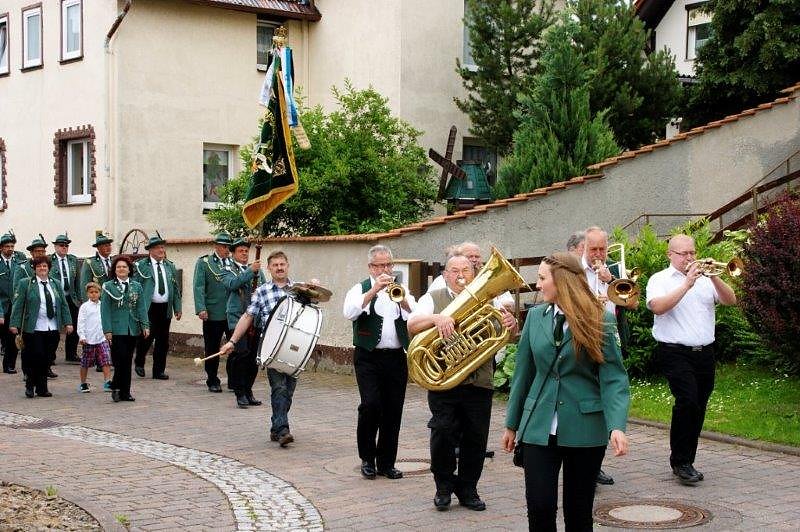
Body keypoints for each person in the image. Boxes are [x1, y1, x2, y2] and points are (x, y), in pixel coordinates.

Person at [501, 252, 630, 531]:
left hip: (585, 428)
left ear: (561, 281)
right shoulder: (535, 317)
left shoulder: (601, 320)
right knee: (539, 507)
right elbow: (524, 374)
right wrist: (512, 424)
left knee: (578, 512)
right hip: (538, 426)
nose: (537, 285)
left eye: (542, 278)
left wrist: (617, 426)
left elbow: (613, 378)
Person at [408, 254, 517, 511]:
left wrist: (511, 324)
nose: (460, 275)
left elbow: (508, 335)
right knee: (443, 432)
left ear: (473, 273)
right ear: (445, 275)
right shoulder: (433, 298)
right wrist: (437, 319)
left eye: (465, 270)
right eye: (454, 270)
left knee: (476, 437)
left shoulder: (490, 299)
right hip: (444, 381)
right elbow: (412, 324)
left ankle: (468, 489)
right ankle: (443, 487)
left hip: (480, 381)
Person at [646, 234, 736, 485]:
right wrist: (686, 284)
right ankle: (681, 462)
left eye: (692, 252)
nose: (689, 257)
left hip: (705, 352)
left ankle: (687, 459)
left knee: (699, 405)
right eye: (683, 253)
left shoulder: (706, 279)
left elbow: (731, 300)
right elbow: (657, 307)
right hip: (674, 351)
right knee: (687, 400)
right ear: (670, 255)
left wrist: (714, 276)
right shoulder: (659, 279)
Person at [219, 250, 315, 446]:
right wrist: (232, 341)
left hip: (295, 348)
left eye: (282, 264)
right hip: (271, 346)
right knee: (278, 387)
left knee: (288, 391)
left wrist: (314, 286)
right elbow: (248, 316)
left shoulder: (299, 290)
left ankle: (275, 426)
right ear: (269, 269)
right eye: (275, 265)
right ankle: (283, 430)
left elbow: (315, 303)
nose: (279, 268)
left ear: (287, 266)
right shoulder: (262, 291)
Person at [343, 245, 416, 480]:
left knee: (393, 409)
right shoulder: (360, 288)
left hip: (395, 357)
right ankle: (367, 458)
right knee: (370, 405)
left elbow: (415, 315)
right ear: (370, 267)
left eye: (388, 265)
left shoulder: (401, 288)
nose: (384, 269)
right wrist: (374, 290)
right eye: (379, 265)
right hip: (368, 357)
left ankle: (387, 463)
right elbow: (349, 312)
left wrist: (402, 301)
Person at [581, 226, 638, 486]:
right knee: (589, 402)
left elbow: (633, 303)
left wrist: (610, 280)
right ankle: (588, 461)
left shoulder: (614, 268)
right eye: (593, 249)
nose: (598, 254)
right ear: (584, 247)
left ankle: (596, 462)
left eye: (602, 249)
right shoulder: (575, 270)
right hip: (584, 340)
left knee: (607, 400)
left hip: (610, 339)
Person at [9, 256, 74, 398]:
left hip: (52, 327)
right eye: (39, 266)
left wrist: (68, 322)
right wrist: (14, 324)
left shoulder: (55, 283)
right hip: (34, 327)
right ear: (34, 268)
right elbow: (18, 304)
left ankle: (42, 388)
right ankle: (30, 385)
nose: (42, 268)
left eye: (44, 266)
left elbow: (63, 304)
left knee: (47, 358)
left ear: (49, 268)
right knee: (36, 357)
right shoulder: (26, 283)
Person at [220, 239, 265, 410]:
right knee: (242, 353)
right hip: (237, 318)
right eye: (241, 251)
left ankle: (248, 390)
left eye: (246, 251)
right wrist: (250, 271)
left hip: (256, 318)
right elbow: (232, 284)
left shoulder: (257, 270)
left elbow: (264, 288)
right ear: (233, 253)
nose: (244, 253)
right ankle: (239, 393)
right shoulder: (227, 269)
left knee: (253, 357)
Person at [133, 234, 182, 380]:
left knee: (163, 341)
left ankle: (158, 370)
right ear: (150, 250)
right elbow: (134, 287)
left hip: (165, 308)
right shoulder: (141, 265)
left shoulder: (169, 266)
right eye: (158, 248)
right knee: (146, 337)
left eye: (162, 247)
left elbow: (175, 288)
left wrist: (177, 308)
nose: (161, 250)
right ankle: (139, 361)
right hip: (148, 308)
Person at [101, 255, 149, 403]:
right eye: (118, 267)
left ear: (129, 270)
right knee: (120, 359)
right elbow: (105, 310)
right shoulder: (108, 286)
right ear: (114, 270)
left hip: (132, 327)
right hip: (116, 329)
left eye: (124, 267)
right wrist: (107, 330)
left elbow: (141, 307)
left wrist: (145, 325)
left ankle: (125, 392)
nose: (121, 269)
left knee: (127, 360)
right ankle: (116, 387)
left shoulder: (136, 286)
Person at [193, 232, 234, 393]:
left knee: (234, 347)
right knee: (212, 348)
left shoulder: (233, 263)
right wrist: (201, 308)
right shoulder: (205, 262)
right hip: (213, 312)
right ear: (216, 246)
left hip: (232, 313)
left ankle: (233, 379)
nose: (227, 249)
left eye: (228, 246)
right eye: (224, 246)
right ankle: (212, 379)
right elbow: (199, 286)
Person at [50, 234, 80, 363]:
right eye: (61, 245)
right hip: (56, 298)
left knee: (74, 326)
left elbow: (77, 280)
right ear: (55, 247)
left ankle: (71, 354)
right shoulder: (50, 260)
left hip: (71, 297)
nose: (64, 248)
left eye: (66, 246)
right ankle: (50, 356)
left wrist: (79, 298)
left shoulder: (73, 260)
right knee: (54, 327)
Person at [76, 282, 112, 392]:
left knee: (106, 360)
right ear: (87, 294)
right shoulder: (84, 307)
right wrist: (82, 336)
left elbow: (108, 319)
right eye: (91, 292)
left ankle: (107, 381)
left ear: (100, 293)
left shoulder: (103, 306)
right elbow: (81, 322)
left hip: (102, 337)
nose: (94, 294)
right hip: (88, 339)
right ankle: (83, 383)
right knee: (85, 362)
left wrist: (109, 333)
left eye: (96, 292)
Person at [0, 231, 26, 374]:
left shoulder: (19, 262)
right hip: (1, 304)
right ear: (1, 248)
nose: (10, 249)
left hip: (15, 305)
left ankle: (9, 365)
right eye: (7, 246)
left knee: (13, 336)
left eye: (12, 246)